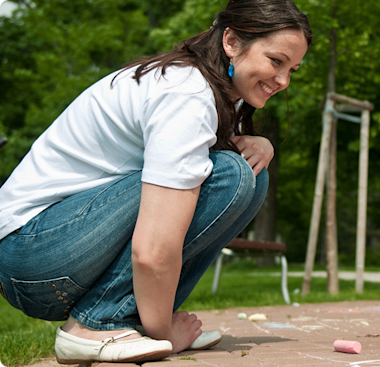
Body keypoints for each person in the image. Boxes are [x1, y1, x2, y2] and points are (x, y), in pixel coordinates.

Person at [0, 0, 312, 363]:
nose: (284, 81)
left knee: (249, 176)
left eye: (293, 69)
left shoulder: (217, 91)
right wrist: (164, 333)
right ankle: (96, 324)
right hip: (31, 254)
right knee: (231, 174)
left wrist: (263, 143)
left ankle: (122, 320)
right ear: (230, 41)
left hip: (56, 251)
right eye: (276, 61)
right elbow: (153, 249)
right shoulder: (186, 93)